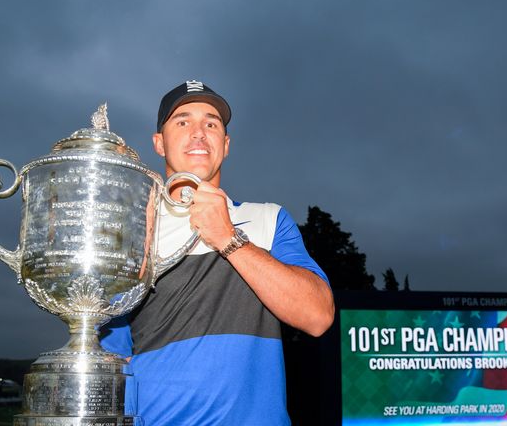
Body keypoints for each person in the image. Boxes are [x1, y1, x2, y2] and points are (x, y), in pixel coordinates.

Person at [100, 80, 335, 425]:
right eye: (182, 122)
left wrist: (228, 239)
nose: (198, 133)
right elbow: (110, 361)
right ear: (159, 143)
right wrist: (137, 246)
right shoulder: (135, 235)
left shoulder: (269, 220)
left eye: (211, 123)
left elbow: (318, 317)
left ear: (225, 145)